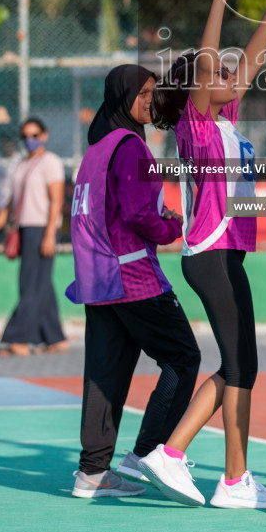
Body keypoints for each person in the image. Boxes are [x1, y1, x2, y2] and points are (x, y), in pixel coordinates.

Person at [146, 0, 266, 510]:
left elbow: (247, 62)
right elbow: (209, 64)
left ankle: (233, 477)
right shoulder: (196, 120)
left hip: (227, 254)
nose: (233, 76)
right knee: (239, 365)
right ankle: (182, 456)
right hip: (209, 253)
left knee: (242, 366)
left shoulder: (225, 119)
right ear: (199, 88)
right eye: (219, 74)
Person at [68, 64, 201, 499]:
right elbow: (137, 214)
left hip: (97, 277)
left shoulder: (96, 149)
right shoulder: (130, 148)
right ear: (122, 97)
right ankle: (146, 455)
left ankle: (92, 473)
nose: (149, 101)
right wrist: (171, 227)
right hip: (132, 276)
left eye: (152, 92)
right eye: (142, 94)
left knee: (105, 374)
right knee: (183, 357)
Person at [0, 118, 68, 355]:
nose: (30, 140)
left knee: (31, 283)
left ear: (44, 135)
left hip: (42, 227)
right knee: (41, 283)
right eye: (26, 136)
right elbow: (10, 201)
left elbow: (57, 199)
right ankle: (55, 338)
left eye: (35, 135)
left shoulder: (51, 162)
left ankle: (19, 337)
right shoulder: (22, 164)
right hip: (25, 228)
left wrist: (49, 234)